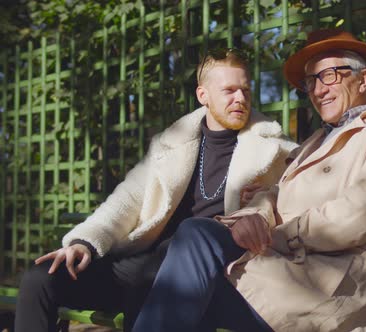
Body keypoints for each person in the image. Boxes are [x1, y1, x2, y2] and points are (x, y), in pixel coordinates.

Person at [133, 28, 366, 332]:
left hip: (328, 290)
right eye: (311, 81)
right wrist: (254, 217)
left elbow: (365, 210)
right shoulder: (315, 141)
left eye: (329, 76)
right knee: (189, 245)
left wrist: (279, 235)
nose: (318, 90)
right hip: (278, 271)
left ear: (363, 79)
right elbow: (273, 194)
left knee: (176, 286)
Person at [15, 48, 297, 332]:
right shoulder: (172, 144)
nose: (240, 99)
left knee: (153, 278)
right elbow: (126, 199)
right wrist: (83, 242)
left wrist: (264, 200)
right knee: (40, 279)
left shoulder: (273, 150)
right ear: (203, 95)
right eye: (229, 90)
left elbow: (297, 198)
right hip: (136, 266)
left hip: (194, 278)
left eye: (246, 91)